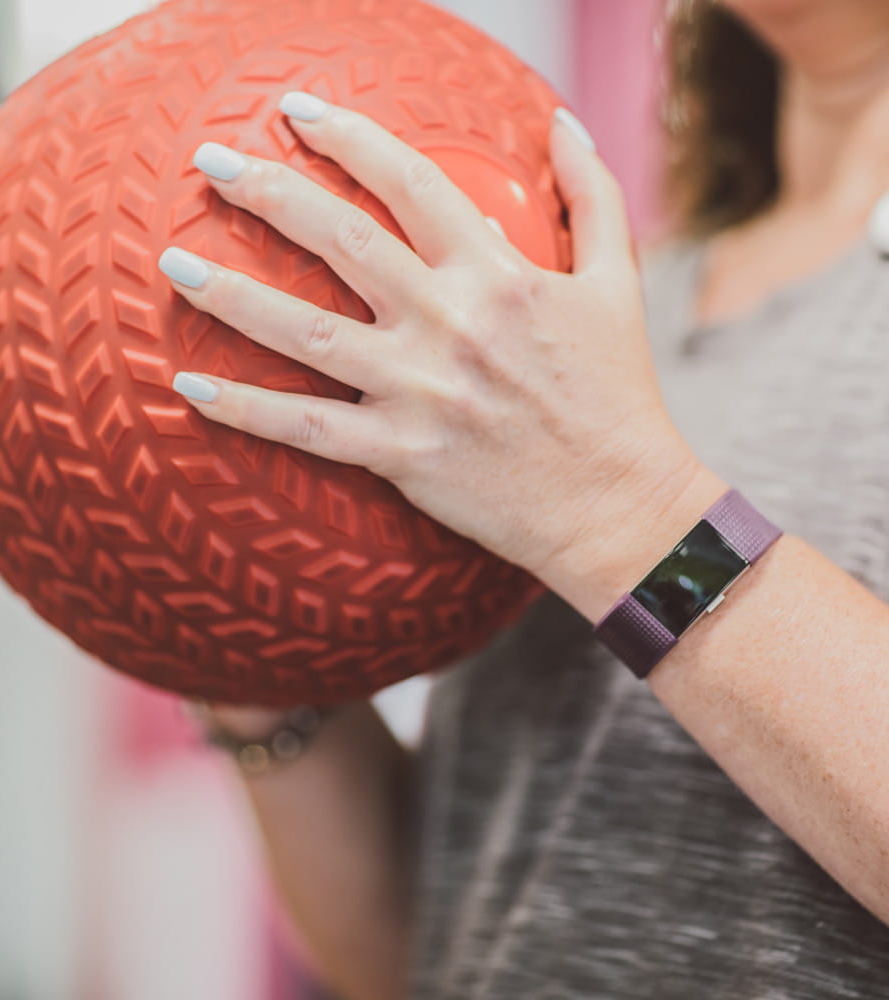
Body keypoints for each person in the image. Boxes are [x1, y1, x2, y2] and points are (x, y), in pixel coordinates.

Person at [160, 0, 889, 996]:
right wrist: (251, 664)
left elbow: (623, 512)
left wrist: (618, 508)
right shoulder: (625, 296)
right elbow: (435, 942)